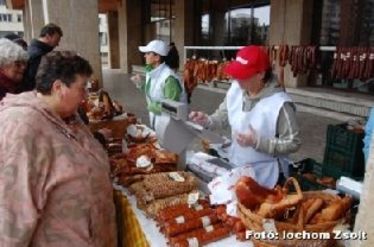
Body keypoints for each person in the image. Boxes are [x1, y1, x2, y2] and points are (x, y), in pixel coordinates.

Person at [0, 51, 117, 246]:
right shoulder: (22, 127)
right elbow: (12, 213)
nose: (85, 95)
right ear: (58, 87)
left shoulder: (68, 115)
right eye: (82, 88)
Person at [189, 45, 301, 188]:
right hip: (238, 166)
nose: (237, 78)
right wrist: (207, 120)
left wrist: (258, 142)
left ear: (260, 74)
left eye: (243, 74)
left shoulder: (280, 104)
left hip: (267, 175)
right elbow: (223, 117)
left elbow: (293, 142)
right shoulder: (236, 89)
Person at [136, 39, 187, 130]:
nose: (144, 56)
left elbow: (173, 107)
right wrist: (140, 84)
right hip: (158, 120)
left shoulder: (169, 78)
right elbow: (154, 92)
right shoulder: (151, 71)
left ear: (157, 57)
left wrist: (153, 106)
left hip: (171, 126)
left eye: (148, 53)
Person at [21, 23, 63, 92]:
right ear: (47, 36)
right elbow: (37, 81)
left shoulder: (33, 49)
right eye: (56, 40)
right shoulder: (38, 55)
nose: (57, 44)